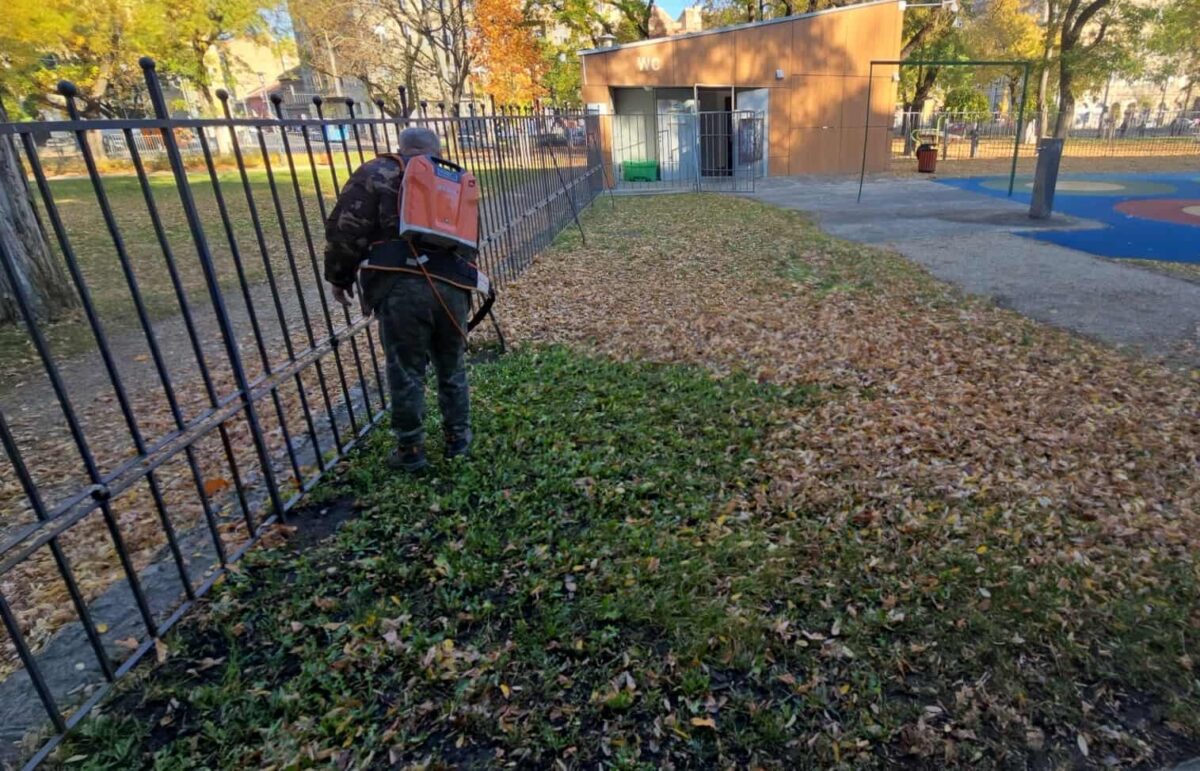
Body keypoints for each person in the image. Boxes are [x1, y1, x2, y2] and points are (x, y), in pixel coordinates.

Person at [323, 127, 471, 473]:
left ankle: (411, 449)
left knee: (406, 370)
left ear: (401, 148)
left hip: (400, 287)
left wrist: (339, 277)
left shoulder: (376, 172)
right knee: (452, 367)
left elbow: (346, 227)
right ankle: (459, 441)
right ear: (437, 149)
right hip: (452, 284)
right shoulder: (454, 177)